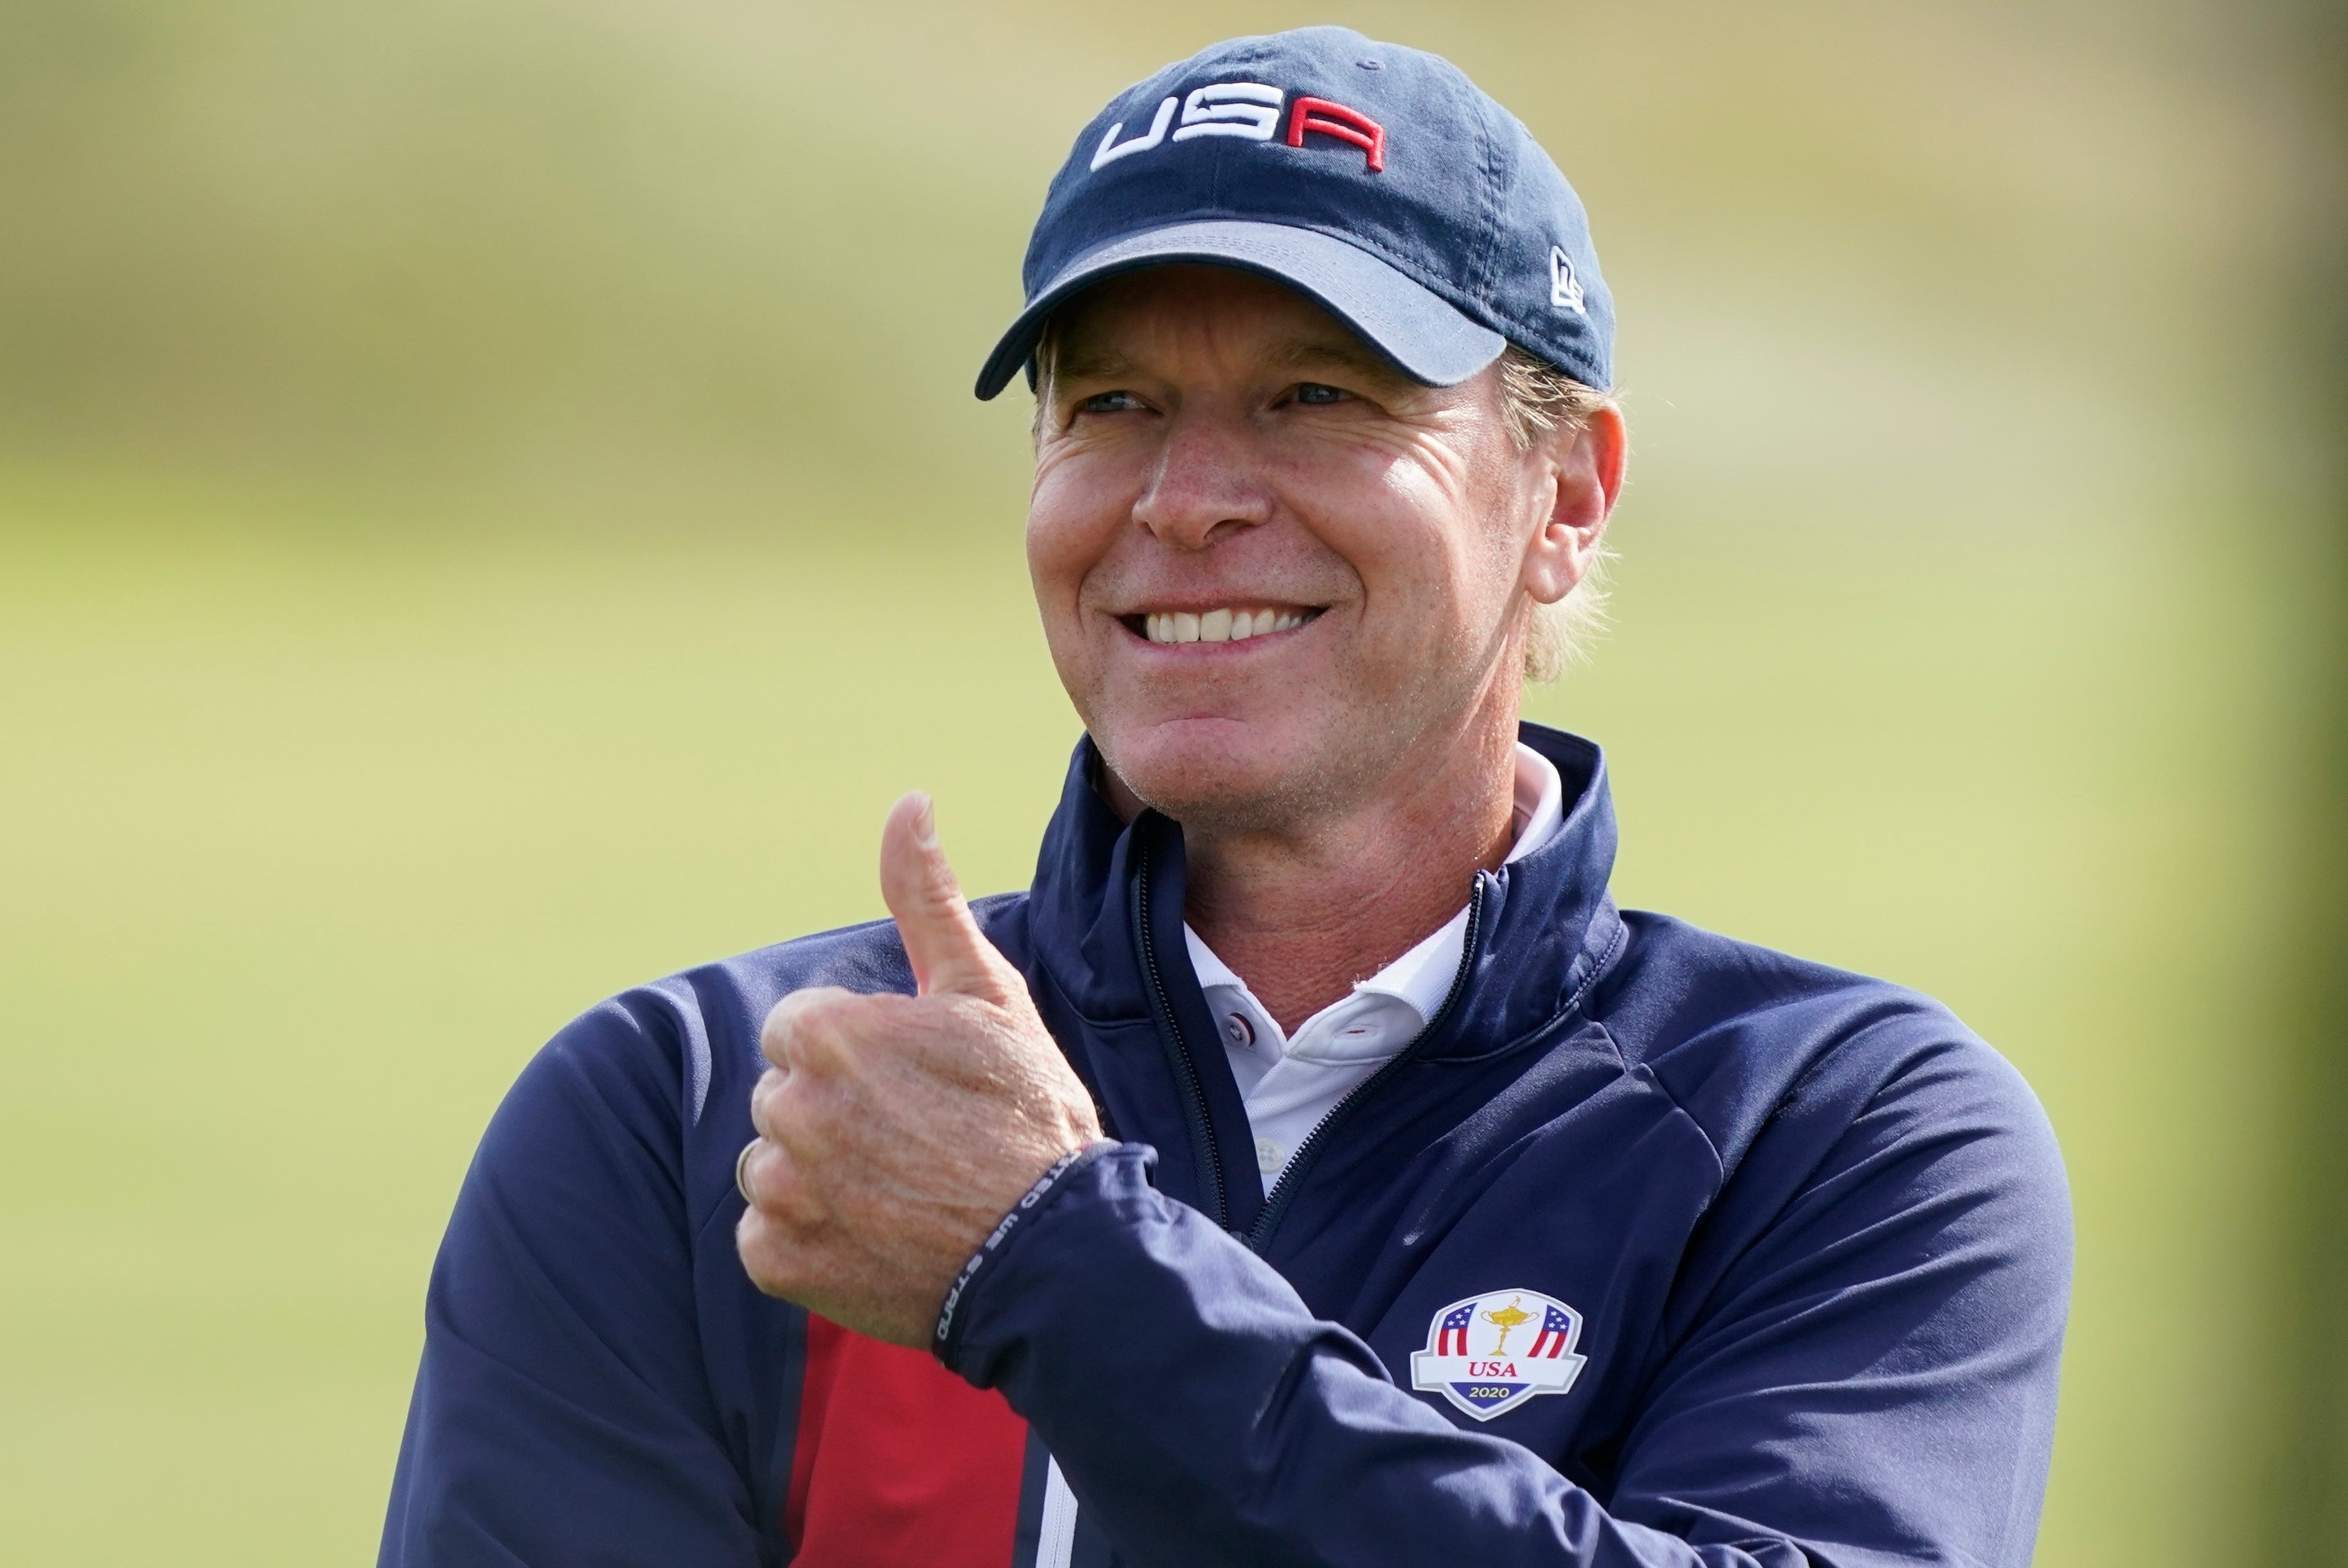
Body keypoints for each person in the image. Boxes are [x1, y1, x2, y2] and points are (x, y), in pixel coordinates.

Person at [379, 25, 2070, 1568]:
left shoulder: (1836, 1135)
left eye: (1315, 396)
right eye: (1114, 404)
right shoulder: (715, 1118)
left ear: (1566, 488)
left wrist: (1048, 1265)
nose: (1185, 503)